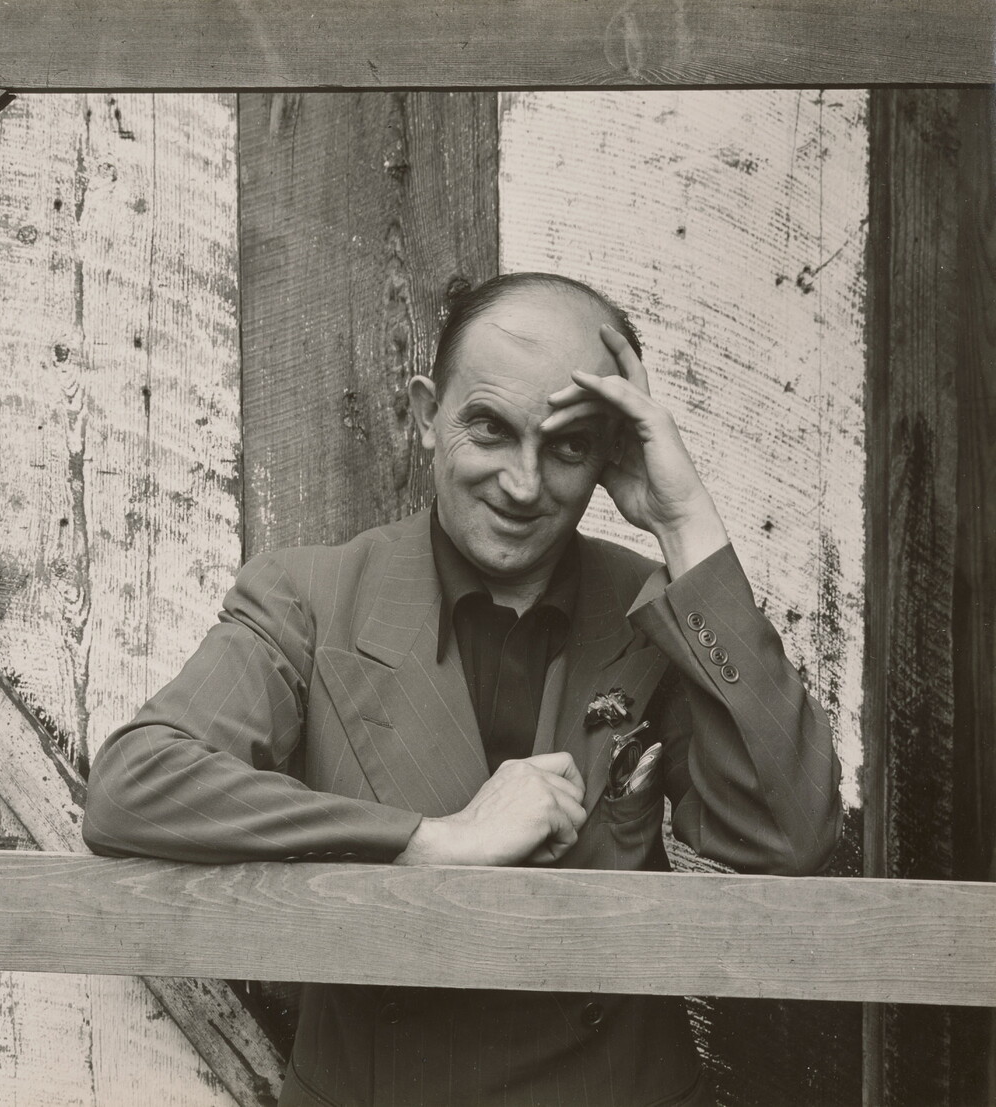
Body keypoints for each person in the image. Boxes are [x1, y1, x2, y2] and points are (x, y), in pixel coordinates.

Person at [82, 272, 843, 1107]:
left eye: (567, 445)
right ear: (423, 416)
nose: (523, 485)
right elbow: (134, 786)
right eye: (490, 428)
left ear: (607, 455)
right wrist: (430, 840)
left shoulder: (650, 609)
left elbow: (788, 835)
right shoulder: (309, 595)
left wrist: (682, 516)